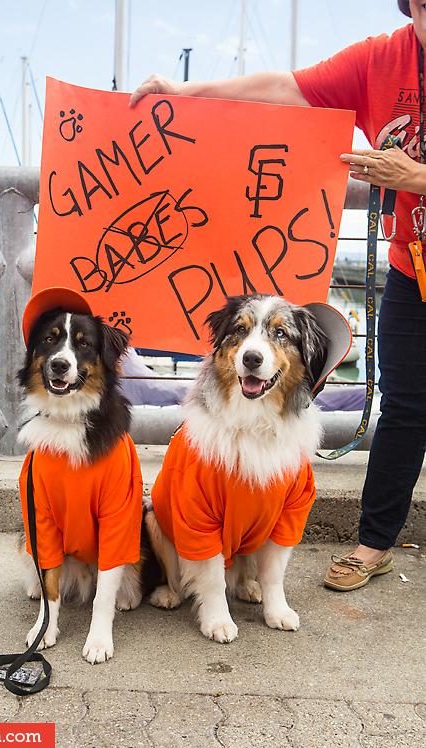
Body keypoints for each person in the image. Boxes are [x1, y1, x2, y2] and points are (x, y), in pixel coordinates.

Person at [129, 0, 426, 591]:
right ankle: (372, 546)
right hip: (412, 267)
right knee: (405, 409)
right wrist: (186, 90)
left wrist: (416, 178)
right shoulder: (382, 60)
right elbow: (285, 88)